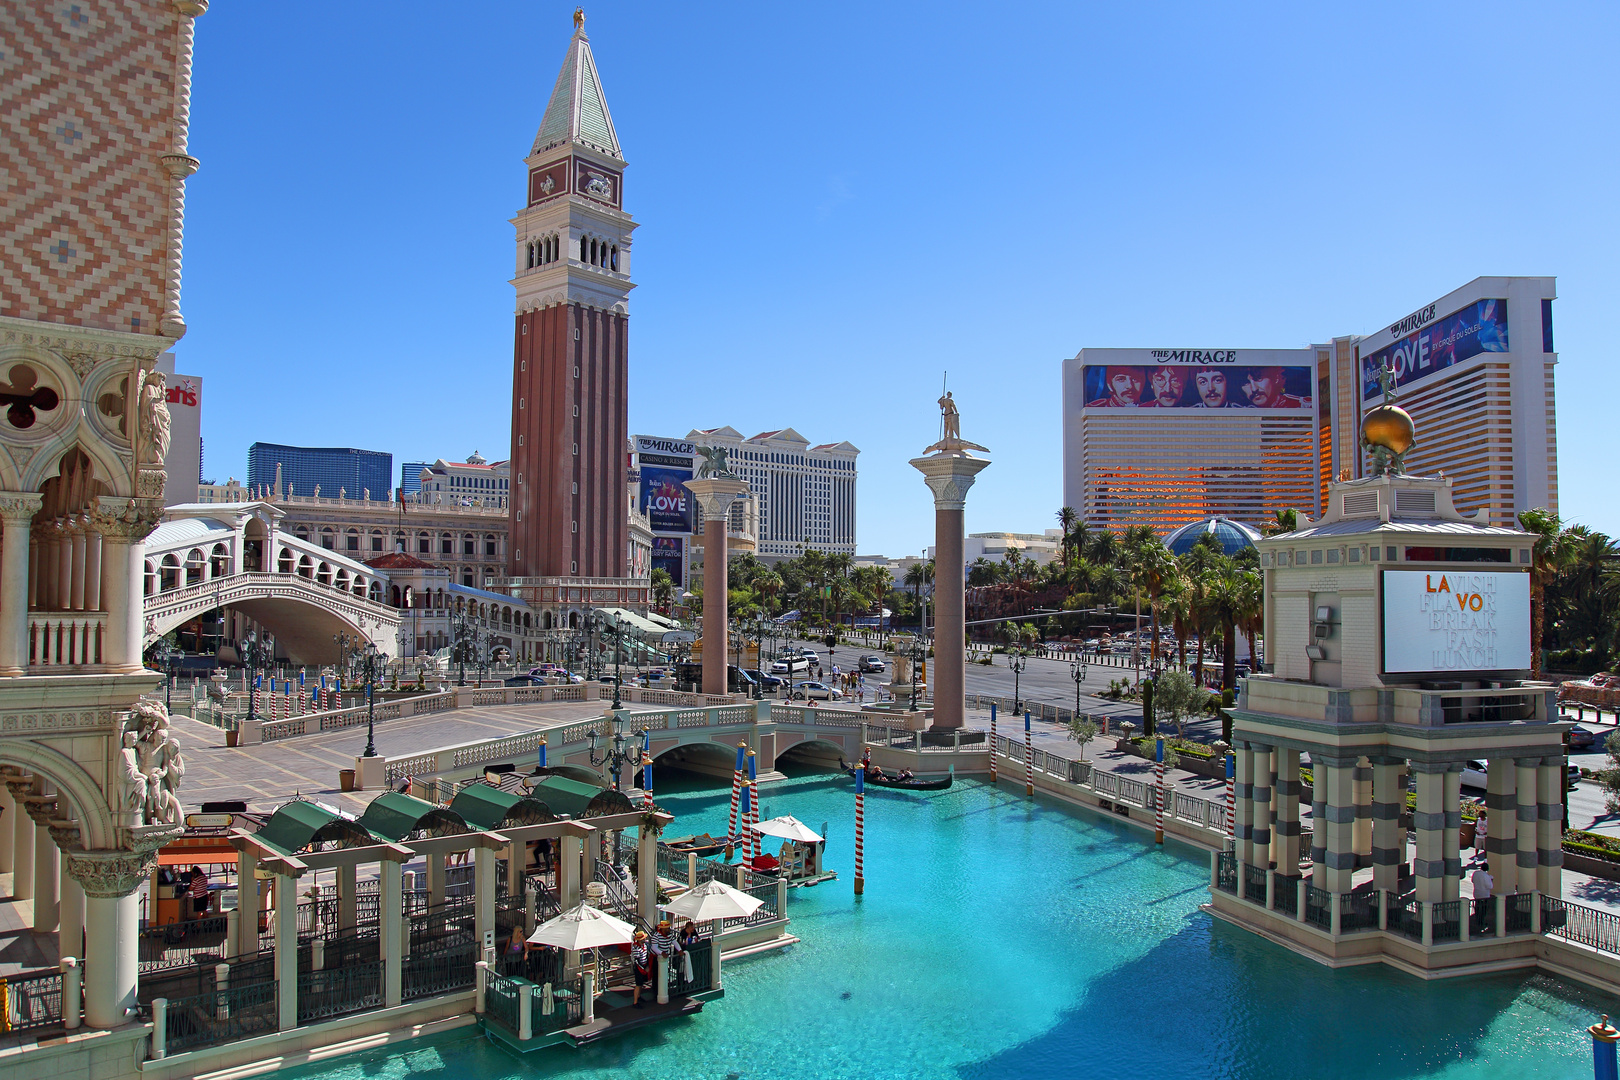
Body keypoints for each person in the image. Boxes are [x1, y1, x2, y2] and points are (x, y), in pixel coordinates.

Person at [1242, 366, 1306, 408]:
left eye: (1258, 378)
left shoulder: (1302, 406)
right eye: (1246, 383)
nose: (1254, 389)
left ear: (1276, 378)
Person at [1470, 863, 1494, 933]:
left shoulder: (1476, 873)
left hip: (1477, 894)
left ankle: (1477, 919)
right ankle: (1481, 921)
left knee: (1477, 907)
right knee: (1484, 909)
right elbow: (1490, 886)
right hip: (1484, 895)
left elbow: (1473, 881)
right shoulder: (1486, 876)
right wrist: (1491, 880)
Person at [631, 930, 651, 1007]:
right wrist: (643, 968)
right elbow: (637, 961)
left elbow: (646, 956)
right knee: (638, 984)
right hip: (638, 968)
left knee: (641, 984)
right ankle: (635, 1002)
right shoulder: (636, 948)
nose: (644, 940)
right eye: (643, 939)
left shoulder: (644, 946)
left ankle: (639, 997)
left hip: (644, 966)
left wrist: (647, 966)